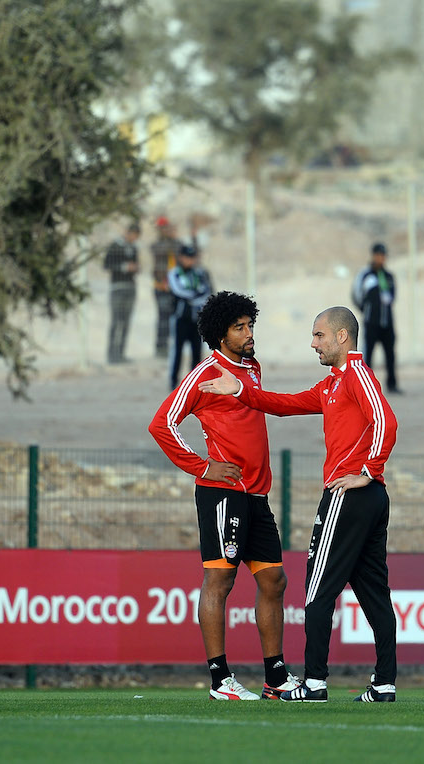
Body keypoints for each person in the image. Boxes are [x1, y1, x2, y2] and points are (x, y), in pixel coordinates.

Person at [200, 306, 399, 704]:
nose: (313, 343)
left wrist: (368, 470)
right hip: (369, 498)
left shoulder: (357, 375)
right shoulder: (331, 385)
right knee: (373, 591)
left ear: (342, 337)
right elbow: (284, 404)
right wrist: (240, 391)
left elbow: (386, 421)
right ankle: (383, 684)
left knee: (316, 590)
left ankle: (314, 683)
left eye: (319, 336)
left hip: (350, 493)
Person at [147, 291, 301, 701]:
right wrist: (202, 466)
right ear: (221, 334)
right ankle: (220, 681)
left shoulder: (252, 368)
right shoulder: (204, 373)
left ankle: (276, 677)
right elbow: (162, 424)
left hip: (257, 493)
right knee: (221, 578)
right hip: (222, 493)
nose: (249, 333)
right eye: (240, 327)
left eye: (251, 325)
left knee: (274, 580)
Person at [352, 243, 400, 394]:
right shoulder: (366, 275)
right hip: (371, 322)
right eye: (378, 255)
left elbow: (392, 296)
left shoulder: (389, 276)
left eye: (383, 255)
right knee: (368, 354)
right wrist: (365, 310)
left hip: (387, 323)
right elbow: (356, 294)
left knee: (390, 354)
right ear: (373, 255)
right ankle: (365, 386)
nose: (381, 258)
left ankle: (392, 385)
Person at [167, 245, 211, 389]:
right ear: (181, 257)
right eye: (187, 257)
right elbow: (179, 291)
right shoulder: (174, 273)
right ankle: (173, 381)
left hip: (197, 319)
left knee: (197, 351)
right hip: (180, 318)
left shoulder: (199, 273)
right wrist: (194, 295)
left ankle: (195, 384)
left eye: (192, 258)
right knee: (177, 350)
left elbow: (206, 291)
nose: (190, 261)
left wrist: (194, 296)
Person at [103, 223, 141, 364]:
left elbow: (137, 265)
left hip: (130, 287)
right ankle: (111, 355)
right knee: (116, 322)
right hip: (117, 288)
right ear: (127, 232)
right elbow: (106, 264)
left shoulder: (134, 248)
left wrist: (135, 268)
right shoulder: (115, 246)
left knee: (125, 323)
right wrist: (124, 267)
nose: (133, 239)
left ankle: (121, 354)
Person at [150, 217, 184, 358]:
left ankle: (172, 346)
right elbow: (159, 251)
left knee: (174, 317)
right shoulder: (157, 244)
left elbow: (183, 251)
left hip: (174, 287)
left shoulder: (175, 244)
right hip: (161, 287)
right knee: (163, 317)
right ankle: (160, 347)